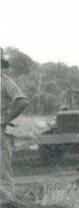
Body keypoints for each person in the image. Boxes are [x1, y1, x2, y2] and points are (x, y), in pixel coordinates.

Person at [1, 55, 29, 184]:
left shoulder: (5, 81)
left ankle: (7, 203)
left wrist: (6, 120)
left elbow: (22, 101)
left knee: (3, 174)